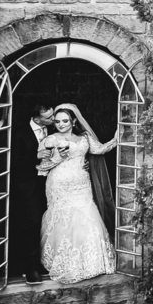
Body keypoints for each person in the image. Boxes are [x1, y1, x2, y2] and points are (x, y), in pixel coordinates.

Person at [37, 104, 118, 283]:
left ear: (73, 121)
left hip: (81, 184)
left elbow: (100, 150)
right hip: (58, 185)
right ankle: (65, 263)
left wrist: (117, 137)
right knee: (62, 219)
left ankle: (91, 262)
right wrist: (58, 158)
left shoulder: (85, 137)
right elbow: (41, 169)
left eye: (65, 120)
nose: (61, 124)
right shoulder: (49, 140)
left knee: (86, 215)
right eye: (57, 121)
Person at [12, 104, 55, 283]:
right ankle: (31, 268)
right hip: (28, 185)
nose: (53, 120)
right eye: (49, 117)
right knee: (32, 224)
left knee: (50, 222)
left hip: (52, 183)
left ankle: (48, 261)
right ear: (37, 119)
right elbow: (12, 162)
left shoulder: (55, 130)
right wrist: (35, 155)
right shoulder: (19, 133)